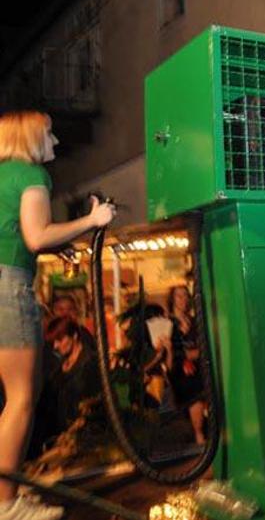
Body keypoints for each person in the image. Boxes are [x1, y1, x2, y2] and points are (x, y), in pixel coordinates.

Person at [0, 109, 115, 520]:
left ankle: (10, 492)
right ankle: (6, 505)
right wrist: (92, 220)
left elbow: (15, 233)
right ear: (30, 138)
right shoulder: (32, 175)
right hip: (8, 288)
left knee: (13, 400)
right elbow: (36, 236)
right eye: (49, 134)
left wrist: (55, 245)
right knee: (21, 400)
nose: (56, 141)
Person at [165, 286, 206, 445]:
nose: (183, 299)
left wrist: (197, 353)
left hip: (198, 363)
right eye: (178, 296)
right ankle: (199, 434)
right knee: (193, 386)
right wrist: (185, 355)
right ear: (172, 299)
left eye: (185, 295)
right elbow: (168, 352)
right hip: (179, 367)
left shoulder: (194, 321)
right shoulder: (168, 323)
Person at [45, 317, 101, 431]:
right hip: (61, 432)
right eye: (53, 341)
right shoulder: (58, 368)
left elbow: (97, 402)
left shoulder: (91, 363)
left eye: (60, 340)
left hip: (85, 432)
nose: (55, 346)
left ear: (74, 336)